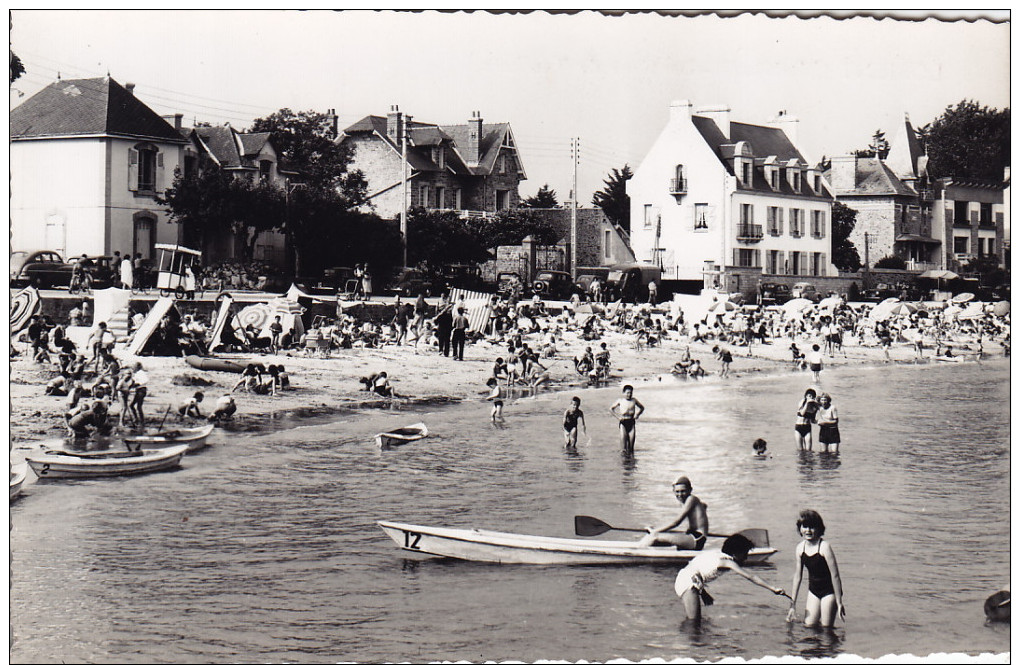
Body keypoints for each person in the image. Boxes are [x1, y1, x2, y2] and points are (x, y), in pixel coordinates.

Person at [674, 533, 786, 623]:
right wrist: (773, 588)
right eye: (745, 553)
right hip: (689, 583)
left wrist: (703, 592)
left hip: (685, 579)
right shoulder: (727, 562)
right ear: (736, 553)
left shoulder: (715, 553)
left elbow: (696, 570)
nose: (746, 557)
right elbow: (751, 577)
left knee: (696, 622)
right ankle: (687, 646)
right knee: (693, 624)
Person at [786, 510, 845, 628]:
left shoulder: (824, 547)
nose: (808, 530)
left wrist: (839, 602)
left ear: (819, 529)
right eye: (805, 527)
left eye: (812, 527)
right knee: (809, 626)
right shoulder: (799, 548)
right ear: (800, 529)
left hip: (829, 592)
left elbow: (835, 576)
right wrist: (792, 605)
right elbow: (798, 577)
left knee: (826, 629)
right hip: (813, 591)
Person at [638, 475, 709, 549]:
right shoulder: (691, 501)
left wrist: (655, 531)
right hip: (692, 536)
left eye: (683, 491)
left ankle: (637, 550)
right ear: (673, 491)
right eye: (677, 492)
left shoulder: (691, 499)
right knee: (656, 539)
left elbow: (676, 523)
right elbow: (704, 506)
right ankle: (641, 548)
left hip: (697, 539)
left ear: (690, 490)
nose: (680, 495)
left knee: (654, 535)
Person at [610, 384, 644, 453]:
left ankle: (631, 462)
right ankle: (623, 462)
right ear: (624, 392)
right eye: (627, 393)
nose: (629, 394)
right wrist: (618, 417)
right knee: (623, 449)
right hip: (623, 423)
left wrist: (637, 414)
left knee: (631, 448)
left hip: (631, 422)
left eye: (631, 393)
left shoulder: (634, 400)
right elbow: (611, 409)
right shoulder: (620, 400)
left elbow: (642, 408)